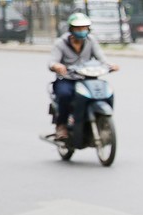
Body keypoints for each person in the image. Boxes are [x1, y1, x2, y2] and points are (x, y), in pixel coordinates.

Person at [48, 12, 120, 140]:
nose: (82, 31)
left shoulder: (91, 41)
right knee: (65, 95)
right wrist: (57, 66)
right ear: (71, 29)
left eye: (84, 28)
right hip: (67, 79)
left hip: (87, 78)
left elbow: (102, 58)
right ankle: (62, 126)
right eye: (78, 28)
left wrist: (110, 65)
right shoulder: (61, 43)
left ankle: (102, 122)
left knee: (107, 92)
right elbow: (52, 62)